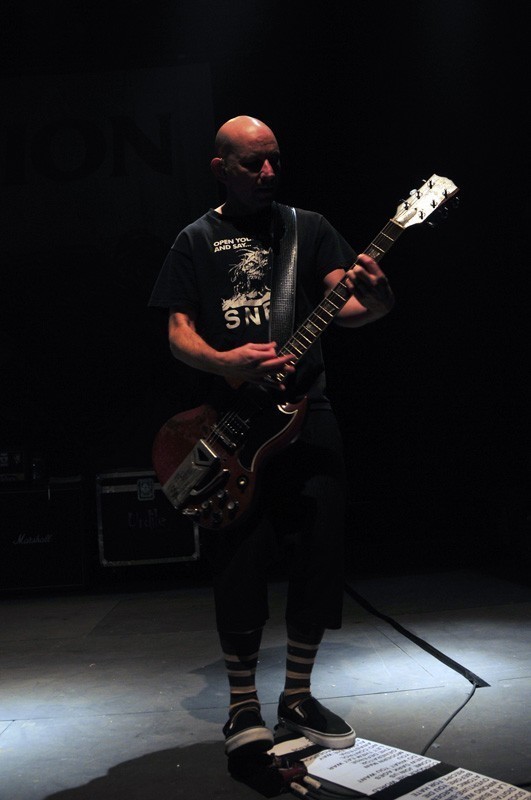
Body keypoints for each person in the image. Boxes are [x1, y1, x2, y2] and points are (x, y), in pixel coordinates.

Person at [148, 115, 395, 760]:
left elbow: (347, 305)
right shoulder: (194, 239)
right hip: (231, 421)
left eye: (275, 160)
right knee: (238, 561)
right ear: (220, 168)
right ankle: (241, 707)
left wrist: (380, 300)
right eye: (252, 163)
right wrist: (225, 362)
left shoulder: (307, 228)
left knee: (320, 553)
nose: (267, 172)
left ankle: (298, 696)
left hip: (308, 415)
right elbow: (178, 333)